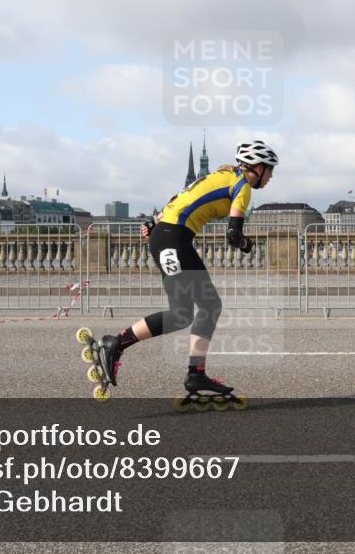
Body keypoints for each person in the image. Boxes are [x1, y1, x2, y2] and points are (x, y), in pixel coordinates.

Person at [94, 140, 278, 403]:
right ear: (258, 168)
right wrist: (248, 245)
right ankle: (119, 344)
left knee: (192, 311)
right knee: (198, 308)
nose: (271, 176)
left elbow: (179, 198)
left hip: (169, 236)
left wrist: (152, 222)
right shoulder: (243, 187)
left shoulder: (220, 175)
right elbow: (234, 235)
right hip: (173, 239)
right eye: (270, 170)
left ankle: (192, 372)